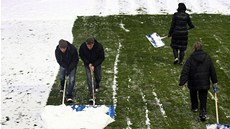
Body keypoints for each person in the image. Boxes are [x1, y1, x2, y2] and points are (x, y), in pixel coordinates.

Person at [179, 42, 218, 121]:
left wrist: (182, 82)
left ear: (194, 48)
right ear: (201, 48)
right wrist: (214, 81)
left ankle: (194, 107)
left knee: (193, 94)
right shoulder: (207, 57)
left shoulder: (190, 58)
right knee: (203, 97)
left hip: (193, 81)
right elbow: (212, 70)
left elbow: (185, 71)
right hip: (204, 82)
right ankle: (203, 112)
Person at [79, 37, 105, 102]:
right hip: (87, 64)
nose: (89, 46)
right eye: (88, 45)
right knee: (89, 78)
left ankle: (97, 84)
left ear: (93, 44)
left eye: (90, 45)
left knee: (98, 77)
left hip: (96, 63)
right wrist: (88, 63)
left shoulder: (99, 47)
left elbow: (101, 57)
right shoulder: (83, 47)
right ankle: (92, 95)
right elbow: (81, 55)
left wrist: (94, 65)